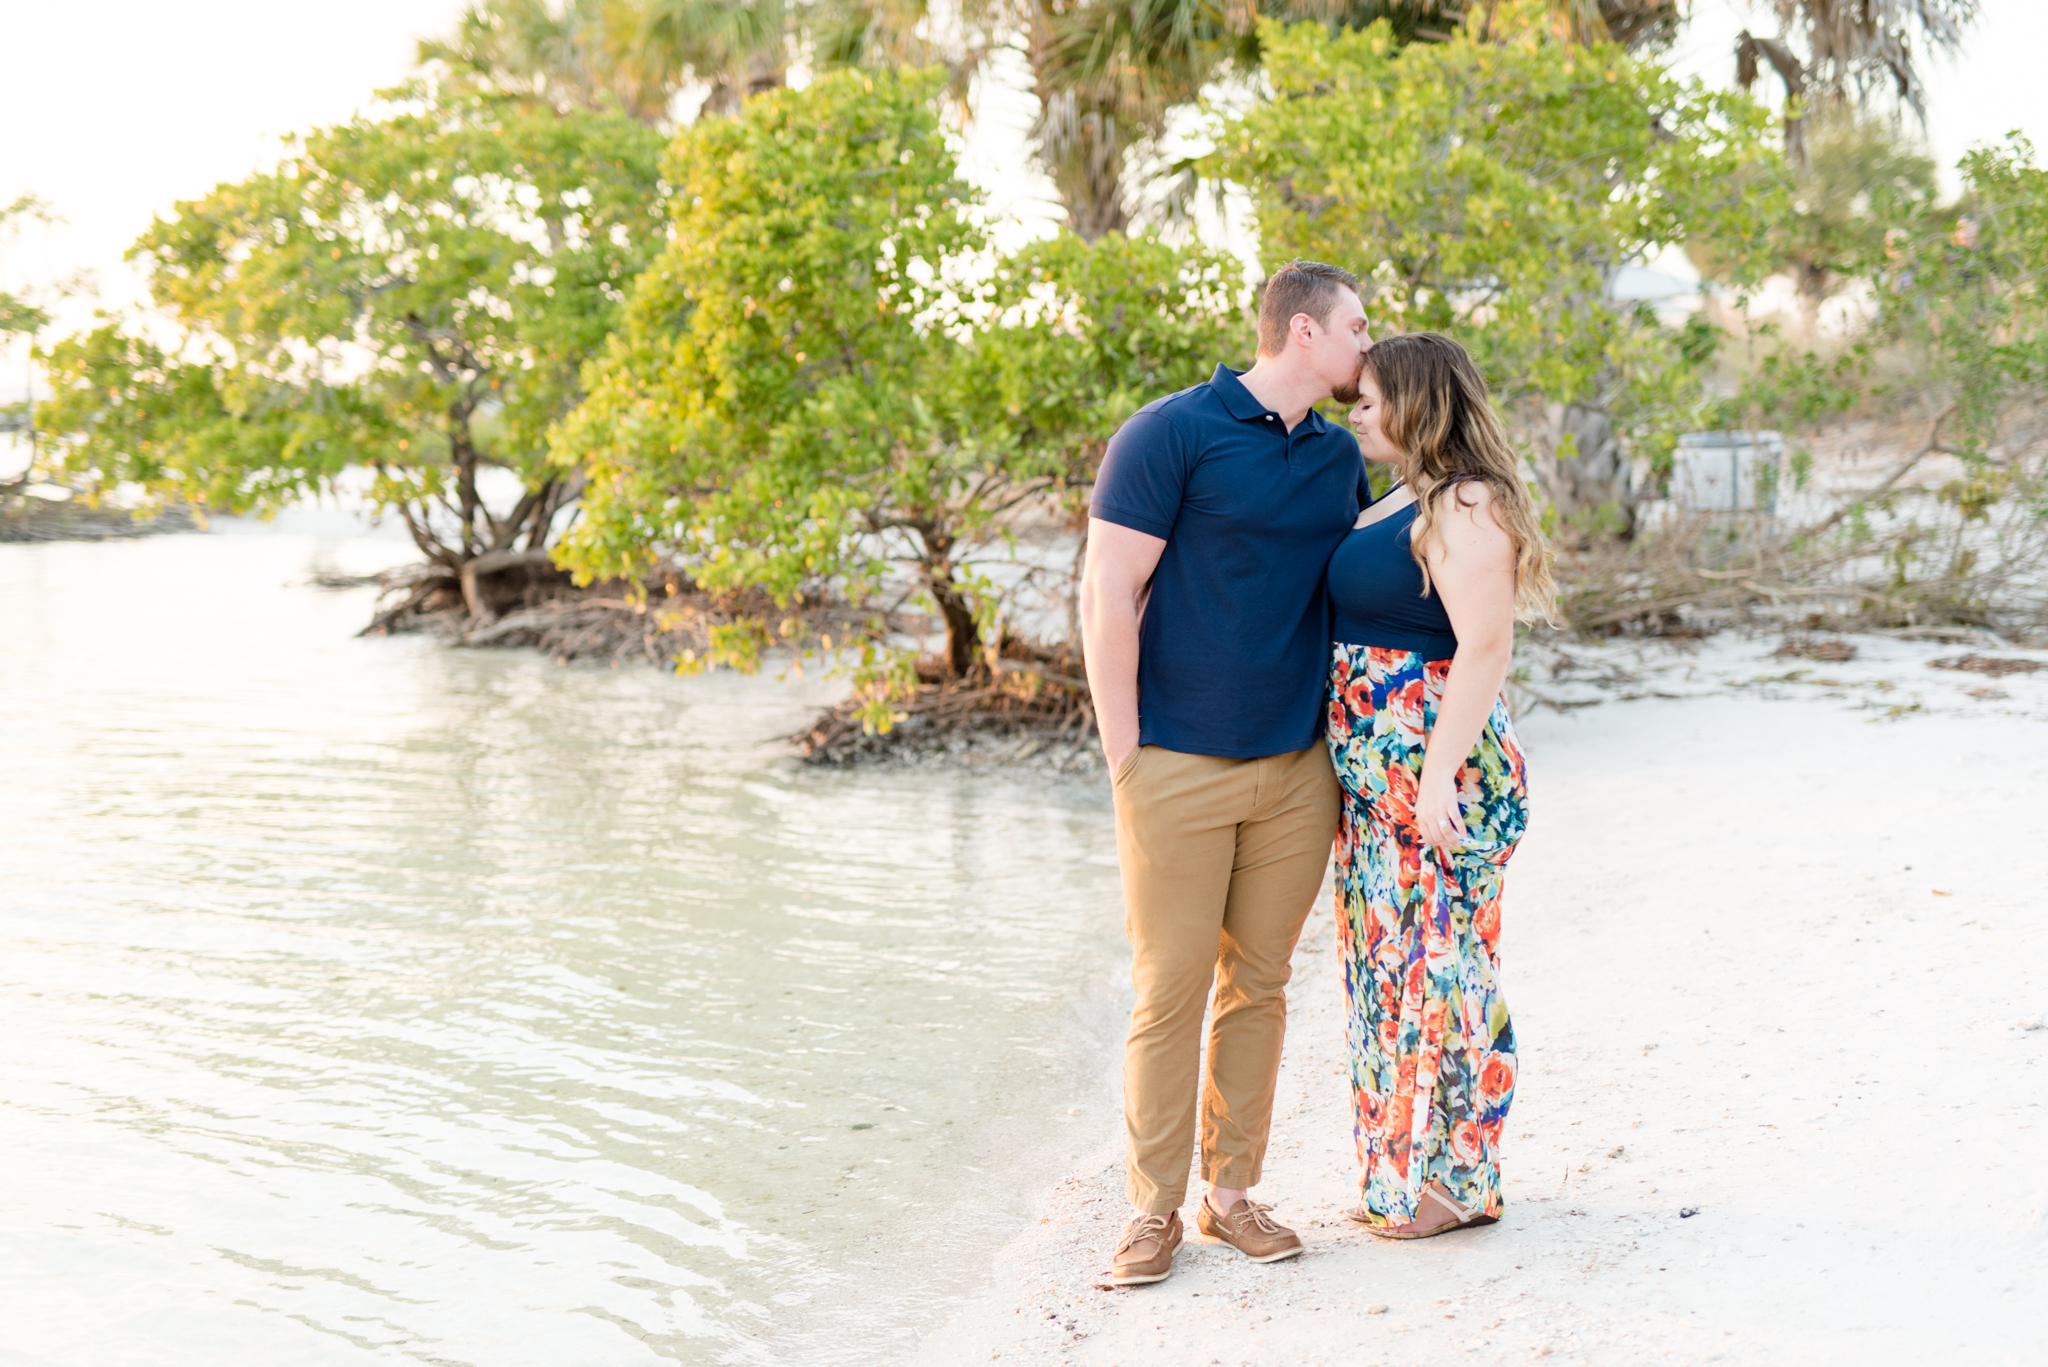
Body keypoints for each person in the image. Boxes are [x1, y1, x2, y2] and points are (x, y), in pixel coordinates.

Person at [1080, 260, 1373, 1286]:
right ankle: (1149, 1208)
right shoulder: (1170, 432)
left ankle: (1230, 1196)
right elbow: (1107, 588)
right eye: (1354, 327)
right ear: (1301, 331)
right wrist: (1125, 753)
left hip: (1296, 768)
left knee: (1257, 983)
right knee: (1165, 990)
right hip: (1175, 763)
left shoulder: (1339, 458)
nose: (1363, 348)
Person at [1322, 331, 1554, 1237]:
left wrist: (1436, 779)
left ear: (1419, 403)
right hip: (1382, 792)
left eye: (1371, 398)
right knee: (1388, 975)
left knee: (1449, 975)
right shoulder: (1399, 499)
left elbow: (1485, 646)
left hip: (1436, 780)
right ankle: (1401, 1174)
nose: (1357, 412)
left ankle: (1462, 1181)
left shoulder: (1468, 502)